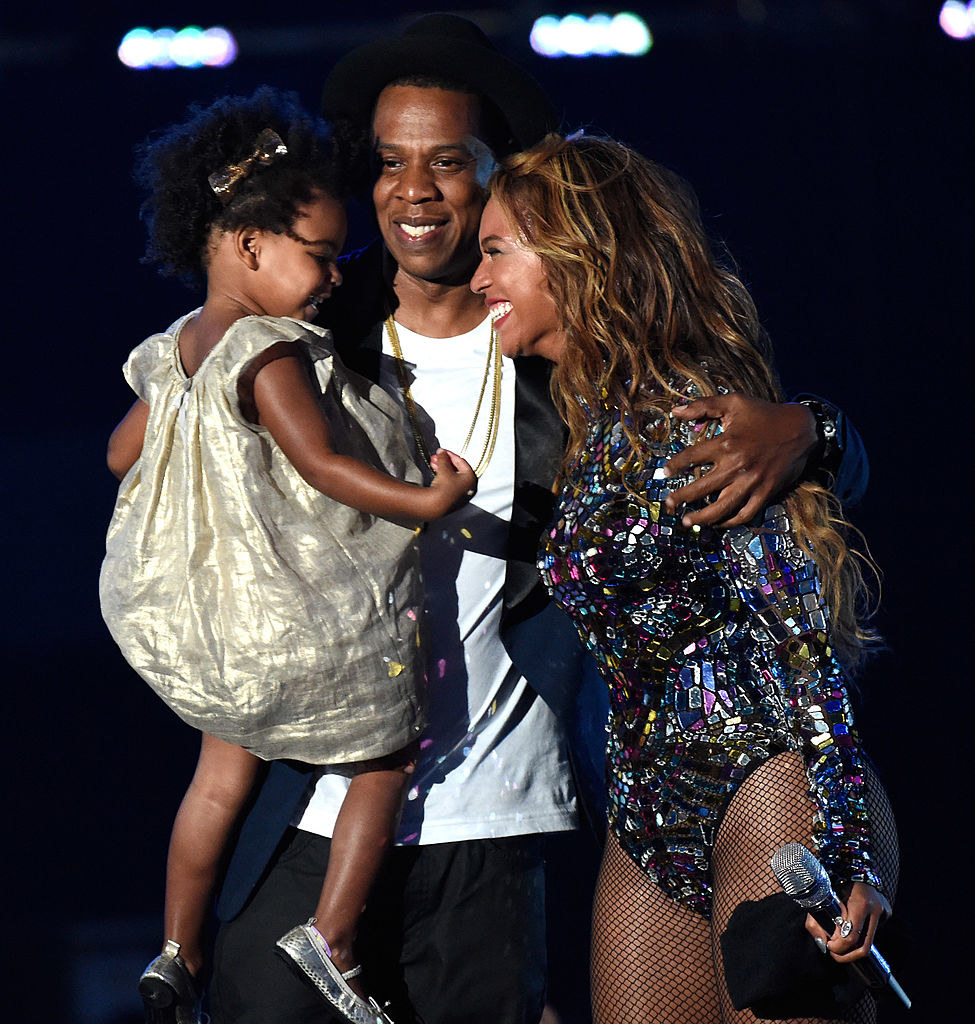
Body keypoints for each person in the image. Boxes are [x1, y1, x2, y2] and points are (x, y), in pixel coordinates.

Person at [209, 16, 872, 1024]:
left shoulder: (570, 371)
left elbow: (787, 573)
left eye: (447, 161)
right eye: (389, 162)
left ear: (500, 182)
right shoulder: (308, 340)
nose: (413, 189)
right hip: (321, 802)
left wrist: (818, 430)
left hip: (511, 810)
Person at [471, 133, 898, 1024]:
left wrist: (851, 844)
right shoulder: (593, 420)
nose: (479, 281)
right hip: (647, 804)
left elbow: (801, 642)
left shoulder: (692, 410)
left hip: (764, 777)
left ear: (577, 257)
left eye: (496, 251)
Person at [99, 86, 476, 1024]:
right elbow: (324, 464)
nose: (333, 276)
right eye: (317, 255)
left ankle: (176, 950)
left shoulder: (173, 349)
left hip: (217, 621)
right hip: (294, 609)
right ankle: (332, 935)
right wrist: (426, 497)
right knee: (387, 758)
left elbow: (116, 454)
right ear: (250, 245)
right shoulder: (270, 349)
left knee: (217, 780)